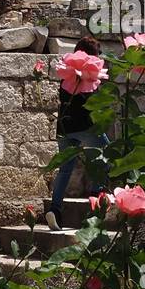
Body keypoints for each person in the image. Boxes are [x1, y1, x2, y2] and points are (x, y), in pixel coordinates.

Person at [46, 36, 108, 232]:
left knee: (65, 169)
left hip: (65, 129)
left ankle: (55, 209)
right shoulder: (89, 77)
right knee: (107, 154)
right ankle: (96, 200)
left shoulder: (67, 74)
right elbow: (93, 103)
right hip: (86, 127)